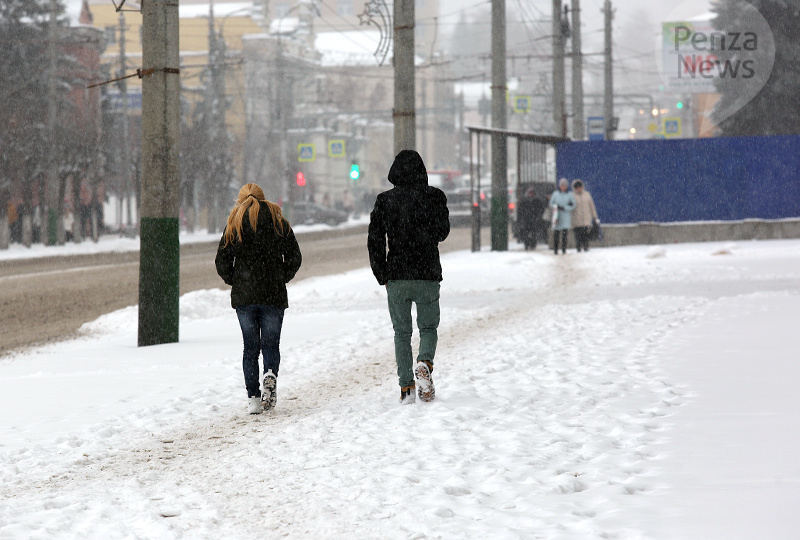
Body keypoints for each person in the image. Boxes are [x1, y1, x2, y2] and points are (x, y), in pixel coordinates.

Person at [368, 150, 450, 405]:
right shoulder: (435, 197)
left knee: (401, 333)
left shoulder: (385, 200)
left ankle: (407, 388)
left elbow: (375, 240)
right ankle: (424, 362)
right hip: (427, 273)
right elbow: (442, 232)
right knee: (428, 327)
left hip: (398, 275)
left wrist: (381, 273)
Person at [215, 183, 302, 415]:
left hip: (245, 297)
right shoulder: (278, 220)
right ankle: (270, 374)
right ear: (263, 198)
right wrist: (281, 276)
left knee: (250, 348)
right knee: (271, 344)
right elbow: (295, 256)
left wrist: (237, 281)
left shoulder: (234, 222)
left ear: (240, 200)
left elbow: (221, 262)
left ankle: (253, 398)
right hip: (273, 294)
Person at [571, 179, 599, 252]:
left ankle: (586, 246)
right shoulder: (572, 196)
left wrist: (595, 216)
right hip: (576, 219)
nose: (579, 189)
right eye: (577, 187)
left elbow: (592, 206)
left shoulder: (587, 194)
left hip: (586, 219)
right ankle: (578, 247)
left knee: (585, 235)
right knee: (578, 235)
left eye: (580, 187)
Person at [549, 178, 576, 255]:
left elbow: (573, 205)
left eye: (564, 185)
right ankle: (556, 249)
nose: (563, 187)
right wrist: (556, 207)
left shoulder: (570, 195)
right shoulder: (555, 194)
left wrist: (565, 208)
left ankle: (564, 249)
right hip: (557, 216)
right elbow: (551, 203)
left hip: (566, 217)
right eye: (562, 185)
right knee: (556, 234)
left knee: (564, 235)